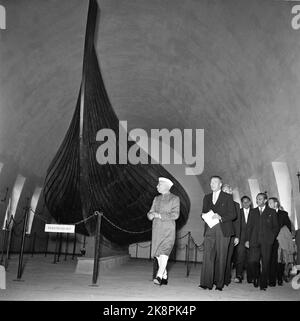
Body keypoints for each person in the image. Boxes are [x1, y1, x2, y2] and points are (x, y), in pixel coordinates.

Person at [199, 176, 236, 291]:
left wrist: (221, 217)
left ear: (220, 184)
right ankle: (206, 283)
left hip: (223, 228)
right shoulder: (207, 197)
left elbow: (233, 214)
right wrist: (203, 215)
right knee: (208, 256)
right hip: (210, 228)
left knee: (221, 256)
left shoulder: (228, 197)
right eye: (211, 182)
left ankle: (219, 284)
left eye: (215, 182)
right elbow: (204, 212)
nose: (212, 184)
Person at [147, 177, 180, 285]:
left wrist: (159, 215)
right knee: (158, 254)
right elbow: (150, 212)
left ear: (166, 186)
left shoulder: (175, 198)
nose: (157, 186)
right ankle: (165, 275)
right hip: (157, 229)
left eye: (159, 184)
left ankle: (159, 276)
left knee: (165, 252)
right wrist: (150, 215)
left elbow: (175, 215)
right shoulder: (156, 198)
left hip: (168, 229)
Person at [245, 193, 279, 290]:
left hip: (266, 242)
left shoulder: (271, 212)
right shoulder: (253, 212)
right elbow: (249, 227)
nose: (257, 201)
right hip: (254, 241)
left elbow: (276, 227)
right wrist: (247, 240)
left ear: (265, 201)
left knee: (266, 262)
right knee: (252, 261)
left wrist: (271, 238)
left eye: (260, 199)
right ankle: (256, 277)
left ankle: (263, 283)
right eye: (257, 199)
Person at [268, 197, 292, 286]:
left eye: (270, 203)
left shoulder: (283, 214)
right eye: (268, 203)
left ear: (276, 203)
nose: (269, 205)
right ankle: (271, 280)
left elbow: (288, 226)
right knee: (271, 259)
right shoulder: (266, 213)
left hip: (280, 240)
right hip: (270, 240)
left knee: (280, 260)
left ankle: (279, 278)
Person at [222, 184, 241, 286]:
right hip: (220, 234)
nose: (225, 192)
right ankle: (218, 277)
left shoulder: (236, 205)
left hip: (231, 235)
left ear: (230, 192)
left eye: (227, 191)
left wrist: (237, 236)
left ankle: (226, 278)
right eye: (223, 191)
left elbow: (237, 222)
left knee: (228, 257)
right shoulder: (218, 204)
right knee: (219, 257)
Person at [234, 195, 253, 283]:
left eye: (247, 202)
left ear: (250, 202)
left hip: (251, 239)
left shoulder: (254, 212)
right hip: (240, 239)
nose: (245, 203)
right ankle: (239, 275)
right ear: (241, 203)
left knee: (251, 259)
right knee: (240, 258)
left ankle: (251, 277)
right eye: (243, 202)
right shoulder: (238, 212)